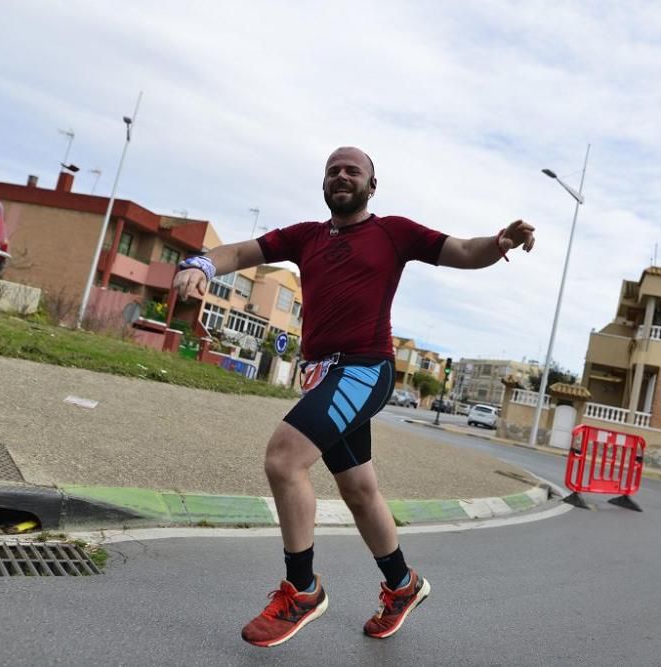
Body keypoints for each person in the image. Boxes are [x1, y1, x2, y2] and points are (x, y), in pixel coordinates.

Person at [173, 146, 536, 648]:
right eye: (333, 170)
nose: (342, 176)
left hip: (364, 369)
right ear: (324, 183)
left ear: (372, 184)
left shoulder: (394, 233)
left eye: (353, 170)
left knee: (284, 459)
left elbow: (464, 251)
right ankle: (403, 585)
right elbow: (236, 253)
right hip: (321, 375)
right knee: (360, 491)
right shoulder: (305, 237)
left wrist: (499, 242)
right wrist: (200, 265)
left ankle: (302, 590)